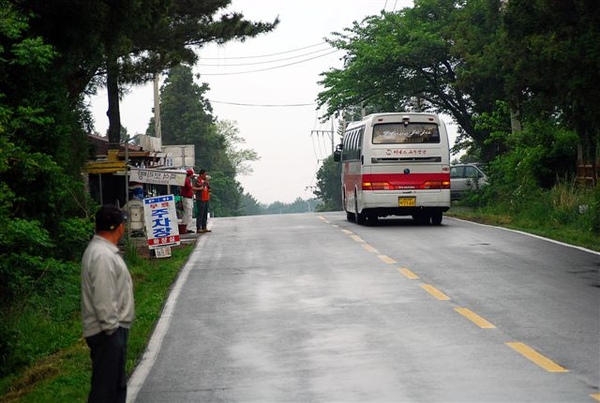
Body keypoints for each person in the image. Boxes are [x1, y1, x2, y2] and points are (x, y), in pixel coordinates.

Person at [81, 205, 134, 403]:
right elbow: (103, 297)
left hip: (110, 331)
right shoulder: (102, 256)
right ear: (119, 227)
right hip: (107, 332)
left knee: (114, 388)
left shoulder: (102, 251)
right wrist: (112, 331)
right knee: (105, 391)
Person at [195, 169, 211, 233]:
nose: (205, 176)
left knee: (205, 213)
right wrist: (205, 182)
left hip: (206, 198)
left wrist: (207, 184)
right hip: (200, 198)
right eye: (205, 174)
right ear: (201, 174)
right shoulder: (197, 180)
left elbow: (208, 188)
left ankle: (204, 227)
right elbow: (201, 187)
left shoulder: (205, 181)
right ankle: (199, 227)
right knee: (200, 214)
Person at [180, 169, 195, 233]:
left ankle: (185, 226)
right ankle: (187, 227)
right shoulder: (186, 180)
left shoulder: (188, 180)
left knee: (188, 213)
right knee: (188, 213)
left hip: (189, 198)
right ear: (191, 175)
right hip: (187, 198)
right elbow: (189, 188)